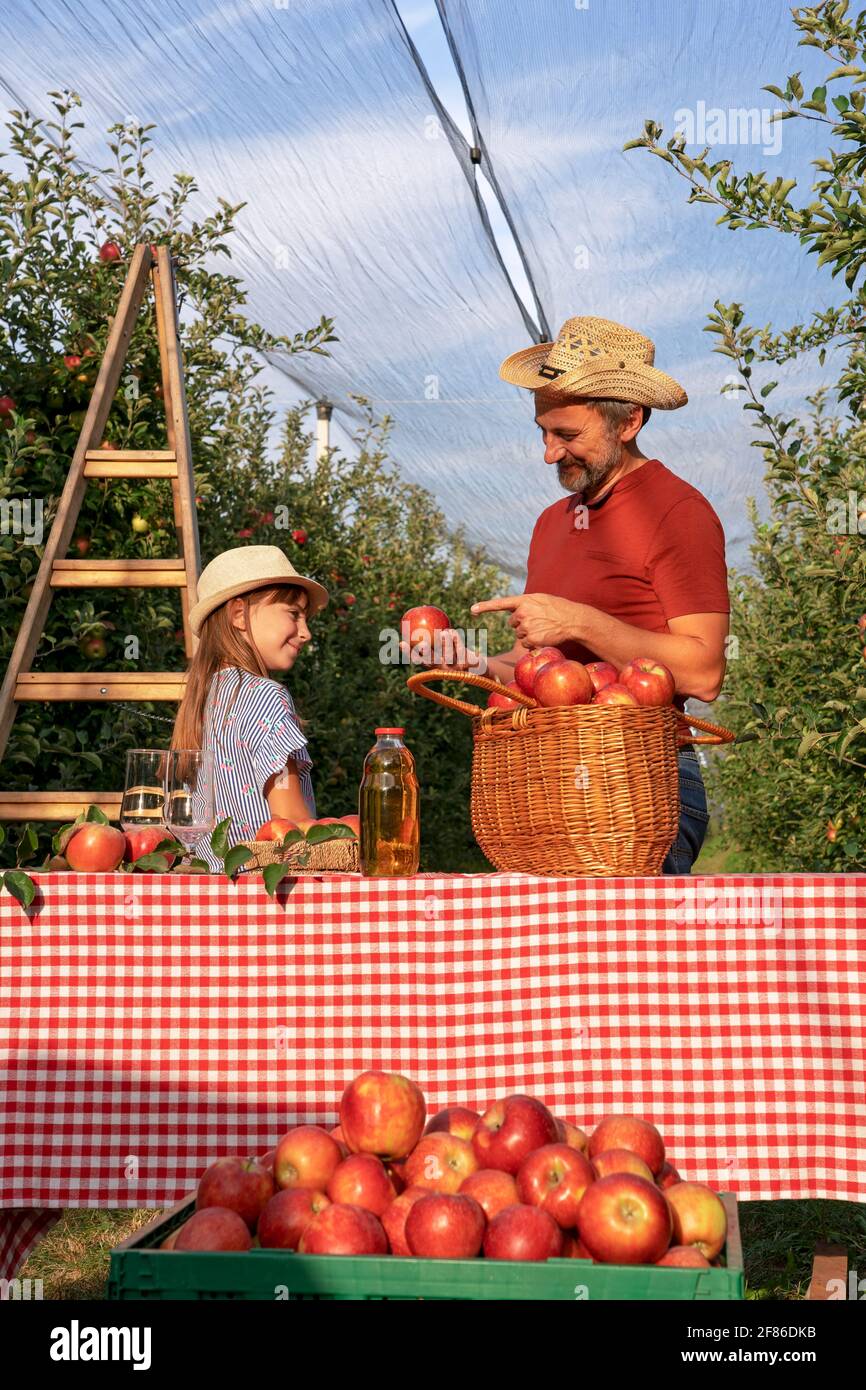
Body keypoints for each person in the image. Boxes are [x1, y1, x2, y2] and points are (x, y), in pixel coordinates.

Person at [429, 316, 730, 874]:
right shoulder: (551, 523)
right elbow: (545, 668)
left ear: (629, 421)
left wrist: (581, 621)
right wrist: (481, 665)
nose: (549, 454)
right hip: (545, 779)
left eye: (566, 436)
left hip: (637, 783)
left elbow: (705, 671)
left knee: (627, 959)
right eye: (543, 433)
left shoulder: (677, 513)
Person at [172, 545, 329, 870]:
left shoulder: (204, 698)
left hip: (216, 895)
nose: (305, 633)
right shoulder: (266, 697)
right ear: (239, 615)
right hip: (268, 895)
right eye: (293, 614)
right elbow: (292, 823)